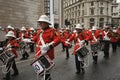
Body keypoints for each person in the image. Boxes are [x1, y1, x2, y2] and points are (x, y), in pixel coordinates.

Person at [32, 15, 60, 80]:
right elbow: (35, 39)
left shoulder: (52, 31)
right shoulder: (39, 31)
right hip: (38, 53)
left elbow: (58, 39)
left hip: (47, 53)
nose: (40, 24)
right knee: (41, 71)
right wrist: (30, 40)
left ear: (46, 23)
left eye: (42, 22)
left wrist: (49, 46)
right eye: (40, 22)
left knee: (46, 71)